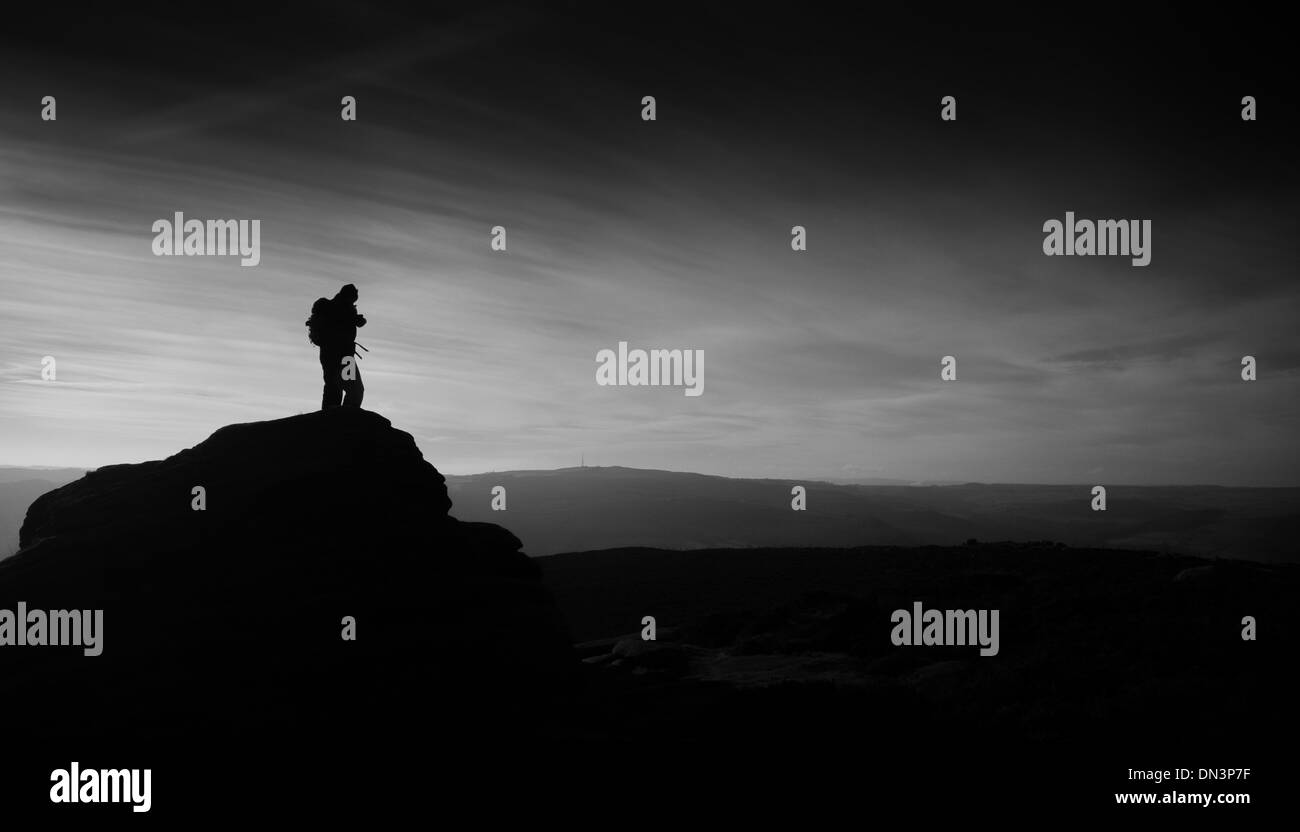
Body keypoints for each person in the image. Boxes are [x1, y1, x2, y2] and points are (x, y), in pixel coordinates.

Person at [306, 284, 367, 409]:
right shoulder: (334, 307)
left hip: (339, 356)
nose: (354, 301)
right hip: (338, 355)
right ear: (348, 295)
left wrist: (354, 318)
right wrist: (353, 319)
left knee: (340, 388)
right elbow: (337, 321)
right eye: (353, 297)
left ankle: (336, 420)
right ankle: (339, 420)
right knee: (346, 389)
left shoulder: (341, 308)